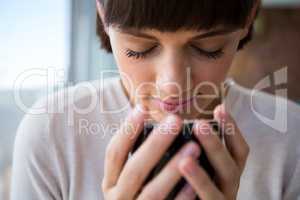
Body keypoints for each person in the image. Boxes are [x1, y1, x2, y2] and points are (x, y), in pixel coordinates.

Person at [11, 0, 300, 199]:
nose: (172, 86)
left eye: (209, 47)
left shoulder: (290, 136)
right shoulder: (52, 133)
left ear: (249, 18)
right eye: (139, 48)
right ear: (101, 11)